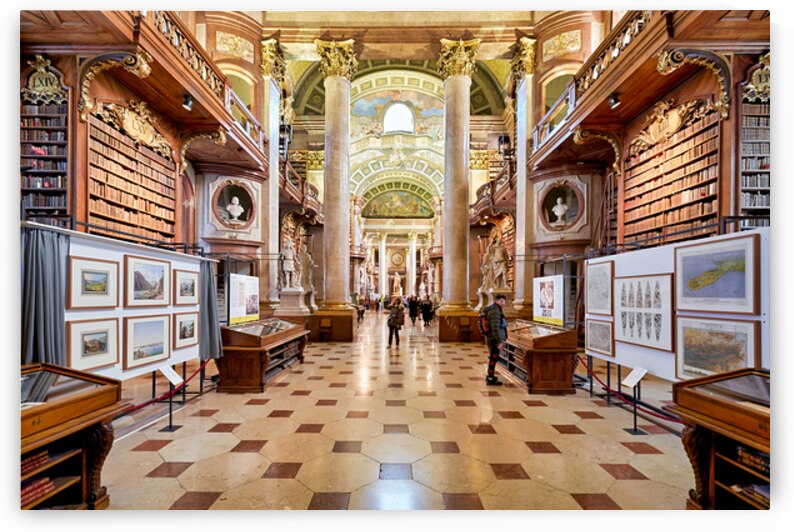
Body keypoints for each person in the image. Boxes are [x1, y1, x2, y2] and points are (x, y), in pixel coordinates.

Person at [481, 293, 508, 385]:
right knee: (494, 357)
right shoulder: (495, 311)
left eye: (504, 301)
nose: (503, 303)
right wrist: (499, 341)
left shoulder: (494, 309)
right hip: (494, 339)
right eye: (501, 301)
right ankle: (490, 378)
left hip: (492, 338)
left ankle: (490, 376)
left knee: (493, 357)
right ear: (496, 301)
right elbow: (495, 328)